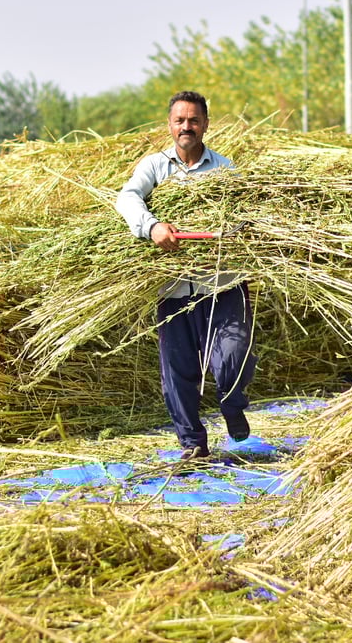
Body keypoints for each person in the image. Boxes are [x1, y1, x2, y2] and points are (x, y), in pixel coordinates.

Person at [115, 90, 256, 460]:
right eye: (180, 120)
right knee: (178, 373)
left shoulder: (225, 170)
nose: (187, 127)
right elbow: (127, 198)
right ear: (170, 125)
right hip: (173, 289)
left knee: (233, 356)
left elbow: (244, 217)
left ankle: (232, 404)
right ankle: (193, 444)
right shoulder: (155, 167)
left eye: (194, 120)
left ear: (206, 124)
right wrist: (152, 226)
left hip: (221, 286)